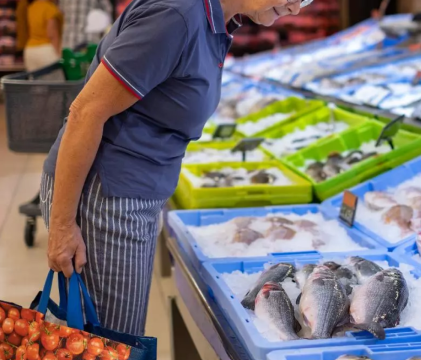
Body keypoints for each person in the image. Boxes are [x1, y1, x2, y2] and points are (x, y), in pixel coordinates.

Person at [40, 0, 309, 336]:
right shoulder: (176, 16)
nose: (297, 8)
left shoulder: (216, 21)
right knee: (111, 343)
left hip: (133, 190)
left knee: (111, 337)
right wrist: (63, 224)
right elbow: (85, 112)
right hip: (107, 194)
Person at [24, 0, 63, 71]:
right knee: (54, 81)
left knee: (33, 81)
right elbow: (52, 34)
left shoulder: (32, 7)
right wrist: (59, 55)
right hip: (46, 50)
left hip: (30, 50)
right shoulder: (50, 8)